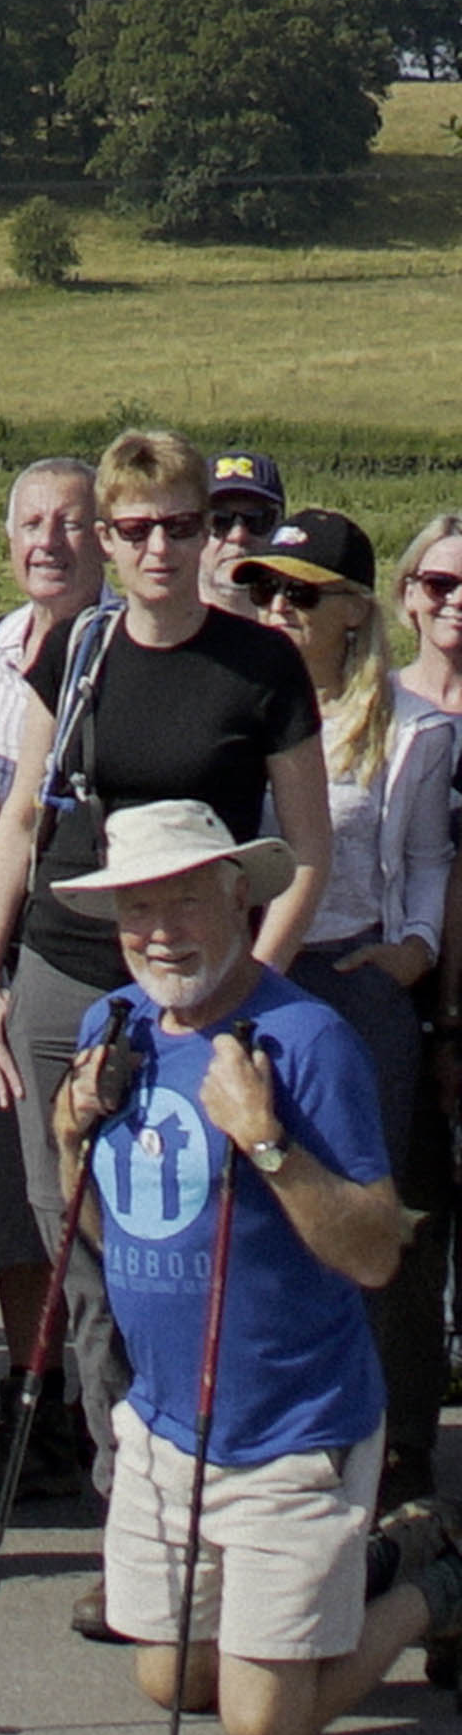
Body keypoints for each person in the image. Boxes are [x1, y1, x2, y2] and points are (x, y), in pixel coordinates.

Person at [0, 427, 331, 1636]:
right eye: (136, 530)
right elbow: (22, 819)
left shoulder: (262, 665)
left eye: (182, 525)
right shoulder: (75, 652)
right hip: (68, 981)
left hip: (202, 980)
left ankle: (231, 1522)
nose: (162, 549)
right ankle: (140, 1531)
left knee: (195, 1248)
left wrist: (244, 995)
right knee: (85, 1257)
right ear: (108, 541)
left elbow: (307, 854)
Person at [48, 803, 462, 1735]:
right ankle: (375, 1557)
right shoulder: (111, 1026)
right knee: (168, 1680)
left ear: (240, 896)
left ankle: (428, 1590)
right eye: (136, 909)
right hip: (167, 1428)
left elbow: (373, 1254)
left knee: (264, 1723)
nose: (158, 931)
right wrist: (72, 1133)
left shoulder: (308, 1041)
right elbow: (106, 1227)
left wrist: (267, 1142)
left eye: (184, 900)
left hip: (294, 1427)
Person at [233, 508, 454, 1500]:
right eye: (264, 591)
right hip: (250, 973)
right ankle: (286, 1433)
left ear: (355, 615)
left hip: (354, 974)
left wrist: (406, 960)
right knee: (264, 1208)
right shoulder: (240, 703)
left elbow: (422, 866)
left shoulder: (413, 732)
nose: (278, 610)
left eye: (301, 595)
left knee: (380, 1219)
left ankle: (399, 1441)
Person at [0, 455, 101, 1504]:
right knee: (11, 1200)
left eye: (72, 523)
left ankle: (103, 1401)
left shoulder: (119, 645)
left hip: (93, 953)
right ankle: (34, 1393)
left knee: (92, 1197)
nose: (48, 540)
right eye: (31, 522)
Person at [391, 507, 462, 1494]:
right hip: (401, 1003)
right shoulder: (381, 711)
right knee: (408, 1237)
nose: (453, 602)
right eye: (439, 584)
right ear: (406, 595)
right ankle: (404, 1448)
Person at [203, 448, 287, 619]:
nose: (238, 536)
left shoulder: (308, 636)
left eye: (258, 520)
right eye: (220, 520)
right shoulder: (158, 628)